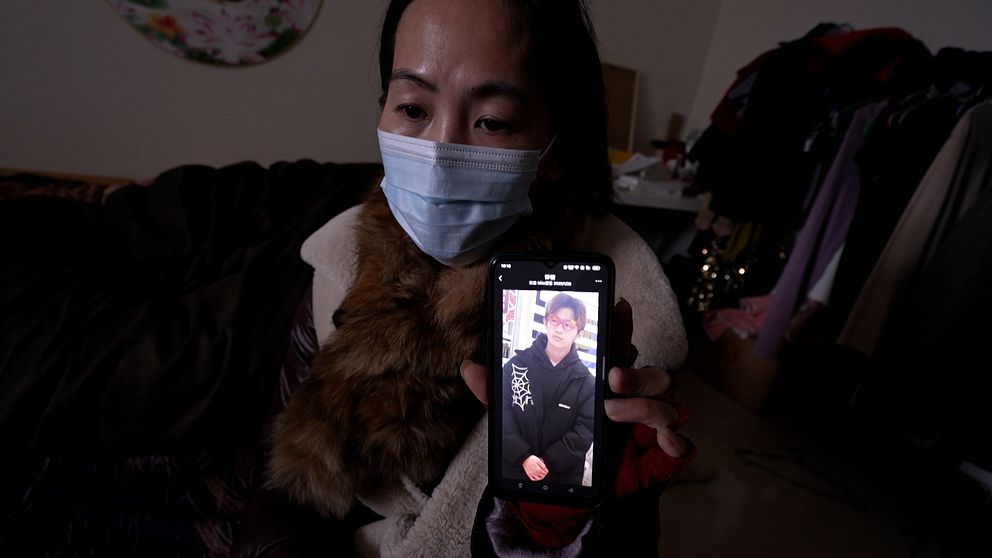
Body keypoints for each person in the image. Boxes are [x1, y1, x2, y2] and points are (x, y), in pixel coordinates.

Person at [243, 0, 694, 556]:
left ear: (557, 147)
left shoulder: (622, 315)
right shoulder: (340, 257)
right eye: (413, 108)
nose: (439, 151)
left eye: (492, 121)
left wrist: (569, 516)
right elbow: (283, 492)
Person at [501, 293, 595, 486]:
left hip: (560, 480)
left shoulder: (587, 383)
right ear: (545, 321)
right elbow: (501, 413)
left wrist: (547, 462)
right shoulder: (516, 366)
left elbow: (584, 431)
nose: (559, 329)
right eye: (554, 320)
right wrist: (523, 457)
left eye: (567, 324)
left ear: (578, 333)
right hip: (513, 473)